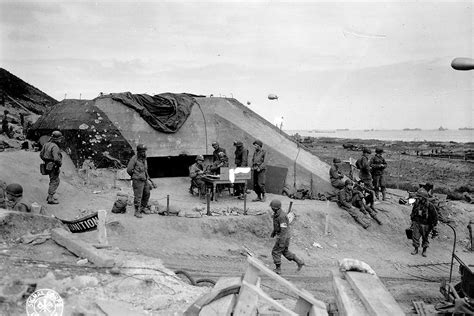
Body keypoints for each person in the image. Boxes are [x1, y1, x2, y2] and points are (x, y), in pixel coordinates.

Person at [270, 199, 304, 275]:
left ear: (275, 208)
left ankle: (278, 269)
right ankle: (299, 262)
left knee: (275, 252)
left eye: (272, 207)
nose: (271, 208)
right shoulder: (277, 214)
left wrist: (281, 242)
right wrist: (274, 232)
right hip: (283, 236)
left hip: (283, 236)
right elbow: (277, 226)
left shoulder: (282, 216)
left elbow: (283, 230)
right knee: (285, 252)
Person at [127, 144, 156, 218]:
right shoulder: (134, 159)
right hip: (137, 180)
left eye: (144, 151)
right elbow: (129, 170)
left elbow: (145, 170)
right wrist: (135, 176)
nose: (143, 153)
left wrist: (150, 180)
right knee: (138, 196)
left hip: (144, 180)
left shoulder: (144, 159)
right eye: (142, 151)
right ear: (138, 151)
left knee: (147, 193)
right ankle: (137, 211)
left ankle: (143, 207)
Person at [410, 190, 438, 257]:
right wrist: (412, 220)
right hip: (417, 223)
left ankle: (424, 250)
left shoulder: (430, 206)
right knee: (415, 237)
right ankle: (416, 249)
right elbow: (413, 212)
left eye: (419, 197)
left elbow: (435, 216)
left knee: (425, 238)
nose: (418, 198)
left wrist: (434, 225)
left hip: (426, 224)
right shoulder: (417, 204)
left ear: (423, 197)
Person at [40, 131, 63, 204]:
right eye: (60, 138)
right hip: (53, 166)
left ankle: (50, 195)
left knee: (52, 180)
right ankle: (50, 198)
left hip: (47, 165)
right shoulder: (55, 147)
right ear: (57, 139)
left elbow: (41, 155)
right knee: (55, 181)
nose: (60, 140)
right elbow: (56, 158)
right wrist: (59, 163)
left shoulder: (46, 144)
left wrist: (46, 160)